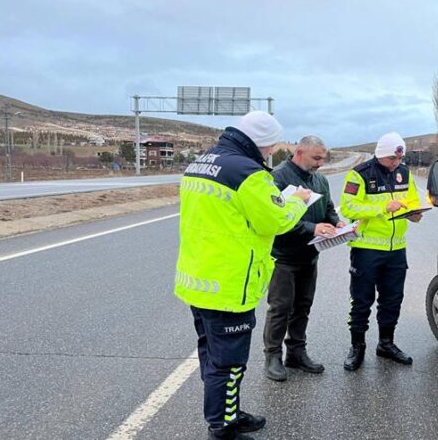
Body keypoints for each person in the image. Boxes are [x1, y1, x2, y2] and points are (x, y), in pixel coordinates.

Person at [173, 111, 311, 440]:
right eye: (270, 148)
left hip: (198, 277)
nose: (270, 154)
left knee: (211, 354)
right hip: (229, 283)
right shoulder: (249, 174)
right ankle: (222, 427)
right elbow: (275, 222)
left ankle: (228, 412)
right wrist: (298, 202)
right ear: (261, 143)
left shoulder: (202, 162)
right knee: (230, 363)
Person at [262, 135, 344, 381]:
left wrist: (336, 223)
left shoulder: (320, 179)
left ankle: (296, 353)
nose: (320, 163)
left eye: (323, 158)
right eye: (316, 158)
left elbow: (328, 208)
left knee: (303, 306)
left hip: (310, 255)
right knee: (280, 308)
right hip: (283, 256)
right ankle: (272, 356)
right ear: (299, 153)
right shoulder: (277, 178)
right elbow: (276, 219)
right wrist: (312, 228)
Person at [339, 132, 422, 371]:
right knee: (362, 301)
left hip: (397, 248)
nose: (395, 163)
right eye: (390, 159)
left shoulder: (404, 173)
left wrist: (416, 214)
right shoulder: (361, 174)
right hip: (367, 249)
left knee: (393, 299)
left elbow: (413, 202)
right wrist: (382, 207)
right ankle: (357, 346)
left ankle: (386, 343)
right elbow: (349, 207)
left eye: (398, 159)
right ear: (379, 155)